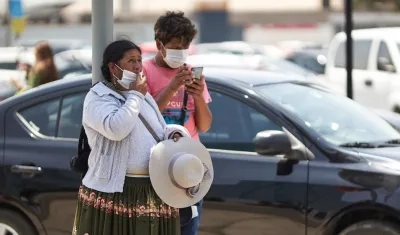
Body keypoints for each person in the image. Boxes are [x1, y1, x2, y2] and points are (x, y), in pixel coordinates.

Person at [72, 40, 185, 235]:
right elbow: (117, 129)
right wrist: (135, 96)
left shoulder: (143, 96)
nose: (138, 66)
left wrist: (173, 133)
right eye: (131, 60)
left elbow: (159, 127)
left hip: (152, 189)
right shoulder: (98, 97)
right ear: (113, 68)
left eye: (140, 60)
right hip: (117, 192)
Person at [142, 11, 212, 235]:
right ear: (159, 44)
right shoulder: (144, 71)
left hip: (187, 169)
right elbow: (143, 118)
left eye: (184, 48)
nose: (180, 53)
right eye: (174, 47)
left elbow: (205, 126)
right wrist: (172, 87)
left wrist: (198, 95)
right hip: (154, 168)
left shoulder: (192, 74)